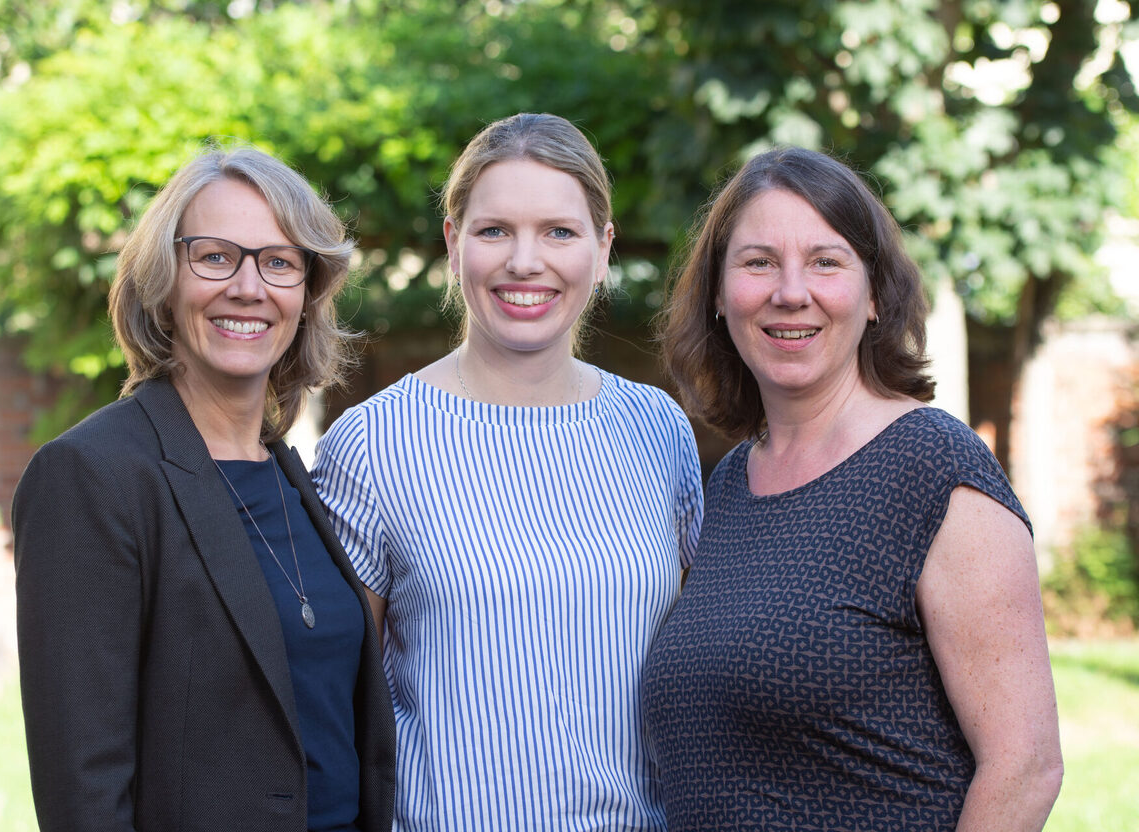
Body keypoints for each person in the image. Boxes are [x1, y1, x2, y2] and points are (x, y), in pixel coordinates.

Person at [642, 146, 1063, 830]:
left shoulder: (931, 467)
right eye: (757, 262)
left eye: (825, 261)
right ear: (719, 295)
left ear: (873, 295)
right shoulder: (730, 486)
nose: (790, 291)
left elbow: (1025, 767)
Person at [311, 113, 704, 830]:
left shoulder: (658, 429)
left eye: (559, 231)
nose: (527, 261)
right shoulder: (371, 444)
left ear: (603, 247)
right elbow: (336, 702)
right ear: (454, 245)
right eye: (495, 231)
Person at [13, 146, 395, 832]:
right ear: (164, 282)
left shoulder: (295, 477)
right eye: (215, 256)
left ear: (307, 293)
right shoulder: (92, 477)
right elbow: (84, 791)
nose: (248, 287)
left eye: (279, 261)